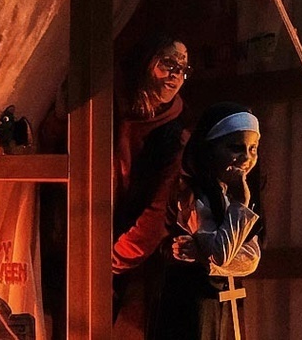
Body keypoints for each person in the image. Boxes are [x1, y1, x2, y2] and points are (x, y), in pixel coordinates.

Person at [151, 103, 263, 340]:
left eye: (253, 149)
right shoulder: (191, 194)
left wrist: (204, 254)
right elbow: (222, 254)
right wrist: (239, 205)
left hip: (220, 298)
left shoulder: (230, 194)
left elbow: (251, 258)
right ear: (209, 149)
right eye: (236, 148)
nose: (246, 158)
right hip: (191, 303)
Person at [110, 36, 193, 336]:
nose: (174, 74)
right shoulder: (112, 108)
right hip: (82, 232)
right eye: (168, 63)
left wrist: (109, 262)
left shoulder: (174, 138)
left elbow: (156, 215)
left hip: (122, 258)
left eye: (182, 69)